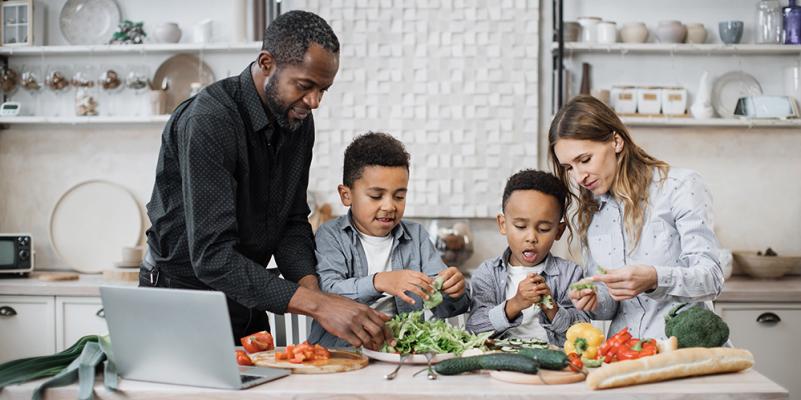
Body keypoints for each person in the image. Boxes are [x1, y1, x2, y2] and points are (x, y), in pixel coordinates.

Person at [140, 10, 389, 349]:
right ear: (267, 62)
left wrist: (316, 297)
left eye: (323, 90)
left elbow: (290, 220)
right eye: (304, 86)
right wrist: (319, 305)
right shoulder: (210, 120)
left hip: (246, 293)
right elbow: (212, 257)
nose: (314, 102)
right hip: (180, 299)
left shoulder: (297, 120)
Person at [549, 95, 724, 340]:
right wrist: (596, 299)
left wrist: (654, 279)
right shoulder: (590, 212)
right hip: (625, 354)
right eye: (569, 168)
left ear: (616, 141)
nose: (579, 177)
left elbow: (712, 279)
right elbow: (612, 306)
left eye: (585, 159)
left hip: (685, 351)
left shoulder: (679, 186)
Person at [308, 132, 470, 348]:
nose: (389, 206)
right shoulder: (330, 235)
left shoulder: (417, 237)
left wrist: (455, 291)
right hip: (340, 353)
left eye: (399, 196)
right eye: (376, 196)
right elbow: (326, 293)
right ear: (346, 195)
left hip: (400, 354)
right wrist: (380, 281)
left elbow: (447, 309)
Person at [466, 169, 588, 346]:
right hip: (500, 362)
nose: (531, 237)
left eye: (544, 229)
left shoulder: (570, 274)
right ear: (503, 224)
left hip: (554, 362)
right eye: (521, 226)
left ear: (559, 231)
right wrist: (514, 304)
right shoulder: (487, 273)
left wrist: (551, 308)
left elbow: (583, 332)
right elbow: (474, 328)